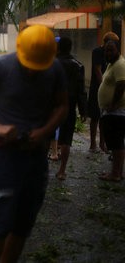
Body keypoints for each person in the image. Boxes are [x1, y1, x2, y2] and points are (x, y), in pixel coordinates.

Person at [0, 25, 68, 263]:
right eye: (29, 65)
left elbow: (62, 106)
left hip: (35, 155)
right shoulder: (1, 67)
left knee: (23, 222)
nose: (33, 71)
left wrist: (44, 132)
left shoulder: (55, 69)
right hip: (2, 154)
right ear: (19, 51)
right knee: (2, 219)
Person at [54, 36, 86, 180]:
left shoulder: (52, 64)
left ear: (58, 48)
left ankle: (40, 168)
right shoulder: (78, 65)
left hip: (52, 106)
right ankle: (62, 170)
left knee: (48, 135)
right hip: (69, 106)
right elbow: (81, 90)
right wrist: (83, 109)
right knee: (66, 139)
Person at [97, 39, 125, 182]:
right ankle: (118, 172)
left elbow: (121, 85)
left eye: (111, 50)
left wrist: (113, 105)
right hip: (111, 112)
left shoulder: (120, 64)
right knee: (116, 144)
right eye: (106, 50)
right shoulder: (111, 64)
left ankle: (115, 174)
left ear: (117, 50)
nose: (107, 53)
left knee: (116, 143)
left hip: (117, 112)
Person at [87, 31, 120, 152]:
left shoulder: (113, 53)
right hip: (97, 87)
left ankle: (102, 143)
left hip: (107, 88)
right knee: (95, 116)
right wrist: (103, 86)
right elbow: (97, 70)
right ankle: (92, 144)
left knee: (104, 117)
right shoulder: (97, 52)